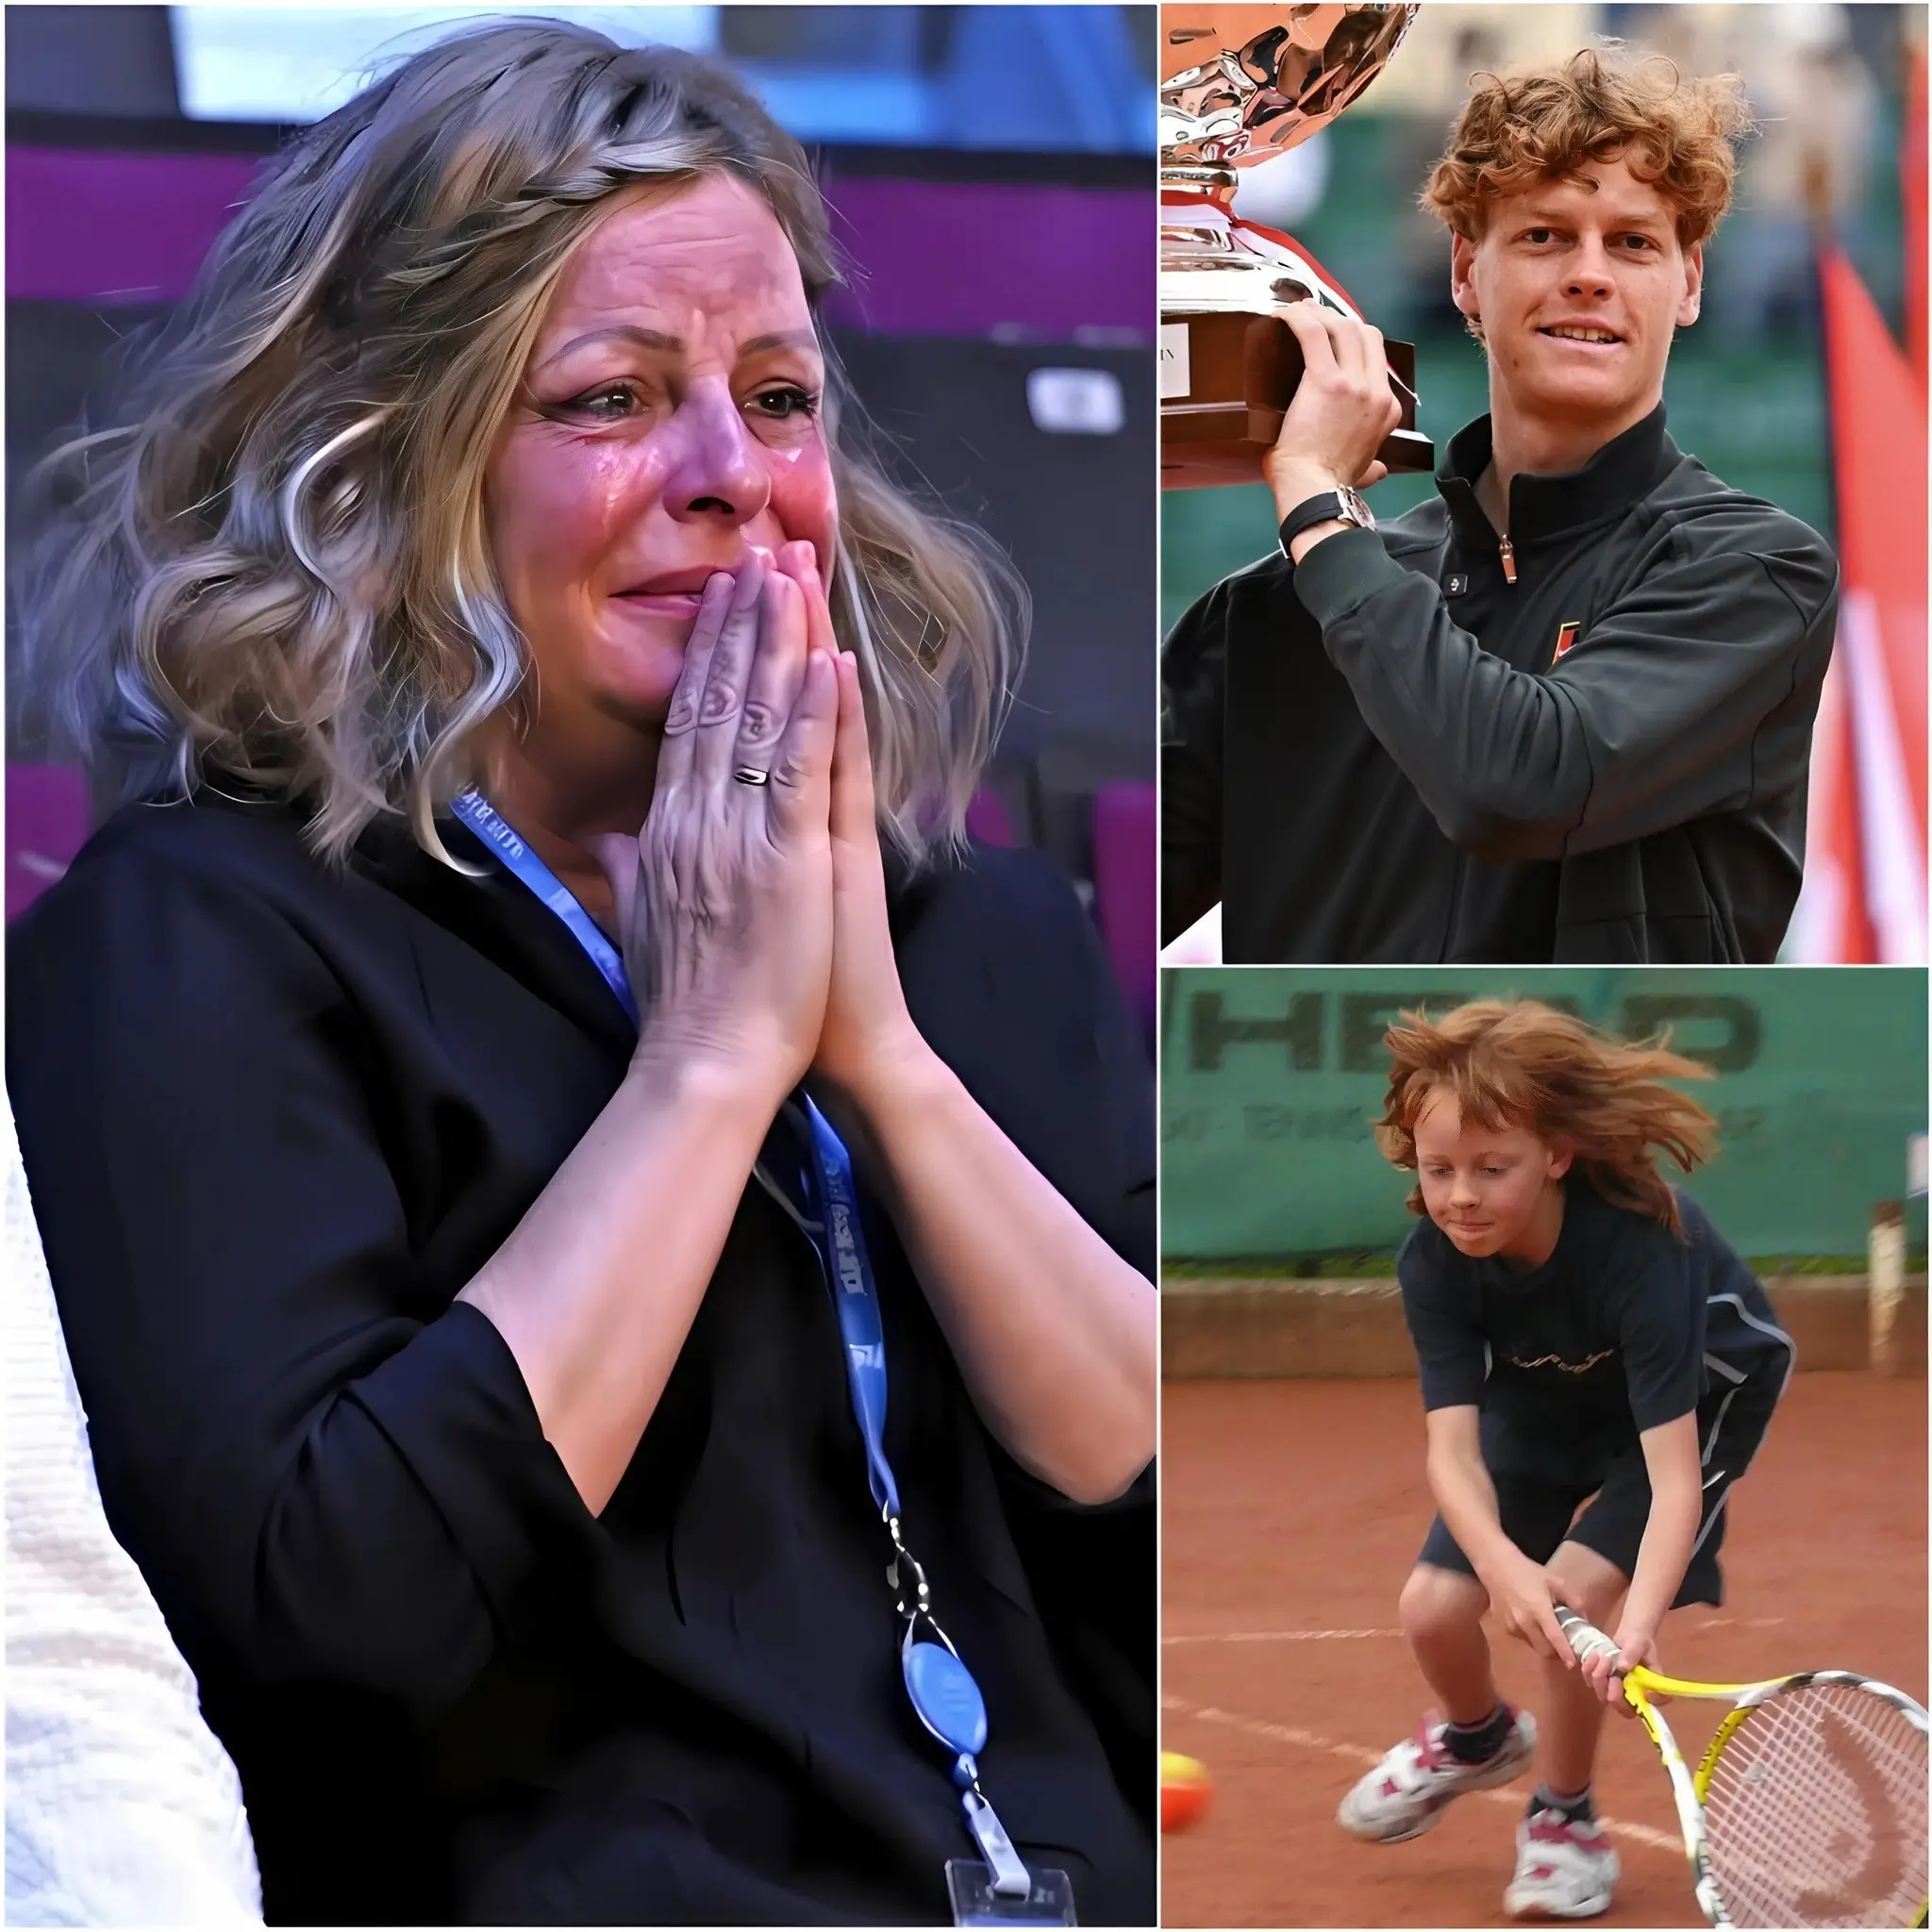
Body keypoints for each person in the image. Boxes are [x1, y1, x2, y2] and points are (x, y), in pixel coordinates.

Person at [8, 25, 1157, 1926]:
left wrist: (878, 1059)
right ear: (383, 468)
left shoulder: (980, 933)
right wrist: (703, 1074)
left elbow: (1170, 1575)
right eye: (614, 398)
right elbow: (333, 1614)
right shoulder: (194, 937)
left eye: (779, 396)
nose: (733, 474)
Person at [1162, 48, 1840, 963]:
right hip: (1293, 1109)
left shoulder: (1753, 571)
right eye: (1542, 236)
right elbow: (1103, 911)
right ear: (1461, 274)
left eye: (1632, 242)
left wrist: (1323, 515)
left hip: (1591, 1110)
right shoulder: (1269, 614)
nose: (1588, 273)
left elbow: (1518, 785)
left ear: (1687, 283)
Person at [1338, 1000, 1793, 1919]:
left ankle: (1564, 1816)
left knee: (1576, 1599)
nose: (1458, 1193)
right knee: (1430, 1608)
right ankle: (1475, 1739)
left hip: (1689, 1410)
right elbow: (1450, 1449)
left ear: (1555, 1154)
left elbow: (1670, 1477)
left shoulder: (1641, 1243)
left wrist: (1636, 1622)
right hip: (1545, 1404)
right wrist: (1503, 1568)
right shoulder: (1432, 1257)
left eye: (1488, 1167)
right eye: (1437, 1169)